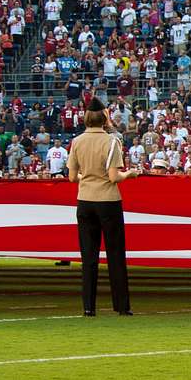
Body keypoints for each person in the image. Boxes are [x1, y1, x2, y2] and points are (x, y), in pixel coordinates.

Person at [66, 97, 141, 316]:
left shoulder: (78, 141)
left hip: (85, 200)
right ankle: (121, 305)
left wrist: (88, 177)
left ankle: (88, 306)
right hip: (108, 201)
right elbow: (113, 176)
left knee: (88, 257)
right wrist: (130, 174)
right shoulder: (111, 141)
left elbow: (72, 177)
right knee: (115, 255)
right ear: (105, 118)